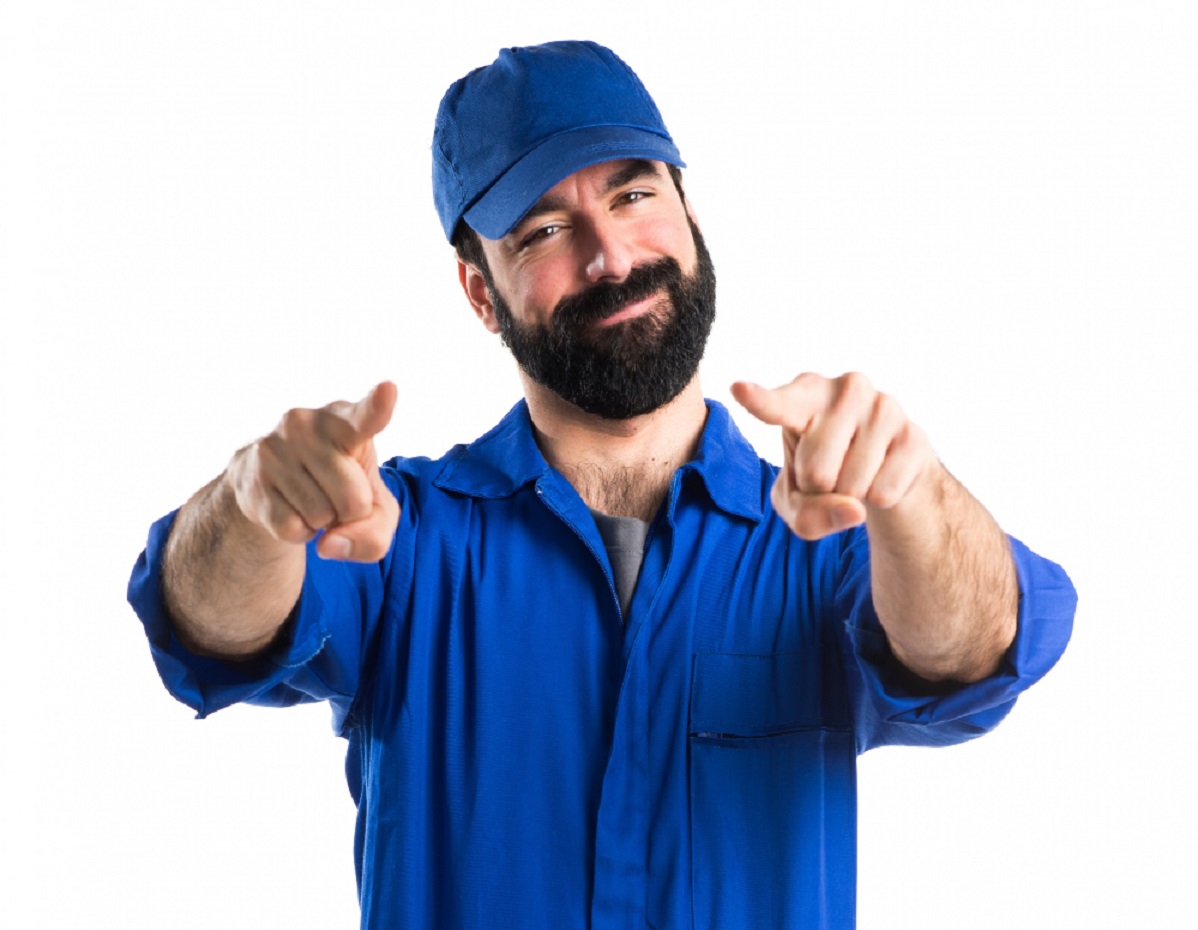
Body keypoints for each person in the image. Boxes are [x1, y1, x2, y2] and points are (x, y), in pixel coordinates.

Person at [129, 40, 1076, 930]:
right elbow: (211, 624)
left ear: (689, 209)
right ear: (480, 292)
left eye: (632, 196)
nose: (611, 257)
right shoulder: (396, 540)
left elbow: (976, 649)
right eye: (544, 230)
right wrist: (253, 514)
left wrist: (915, 493)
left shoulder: (822, 536)